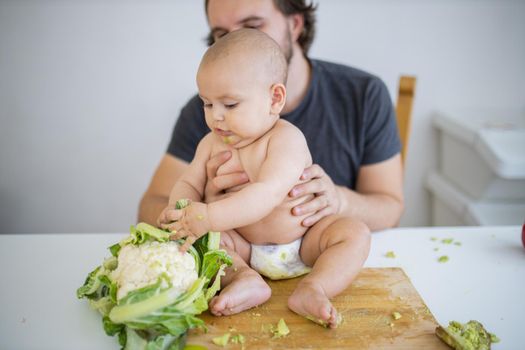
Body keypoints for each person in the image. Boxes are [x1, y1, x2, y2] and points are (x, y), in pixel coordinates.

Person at [157, 28, 370, 328]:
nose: (216, 116)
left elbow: (267, 194)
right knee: (207, 242)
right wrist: (185, 210)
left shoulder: (286, 140)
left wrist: (209, 215)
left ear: (274, 98)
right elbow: (188, 182)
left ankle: (314, 288)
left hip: (304, 241)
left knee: (354, 233)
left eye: (230, 105)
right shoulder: (209, 144)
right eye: (207, 103)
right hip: (243, 245)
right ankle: (245, 278)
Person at [138, 0, 404, 234]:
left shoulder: (363, 94)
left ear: (295, 24)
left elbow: (391, 207)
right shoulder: (207, 114)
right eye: (220, 34)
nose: (234, 42)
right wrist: (204, 206)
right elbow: (151, 206)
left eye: (252, 26)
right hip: (241, 254)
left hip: (312, 249)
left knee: (351, 236)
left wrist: (340, 201)